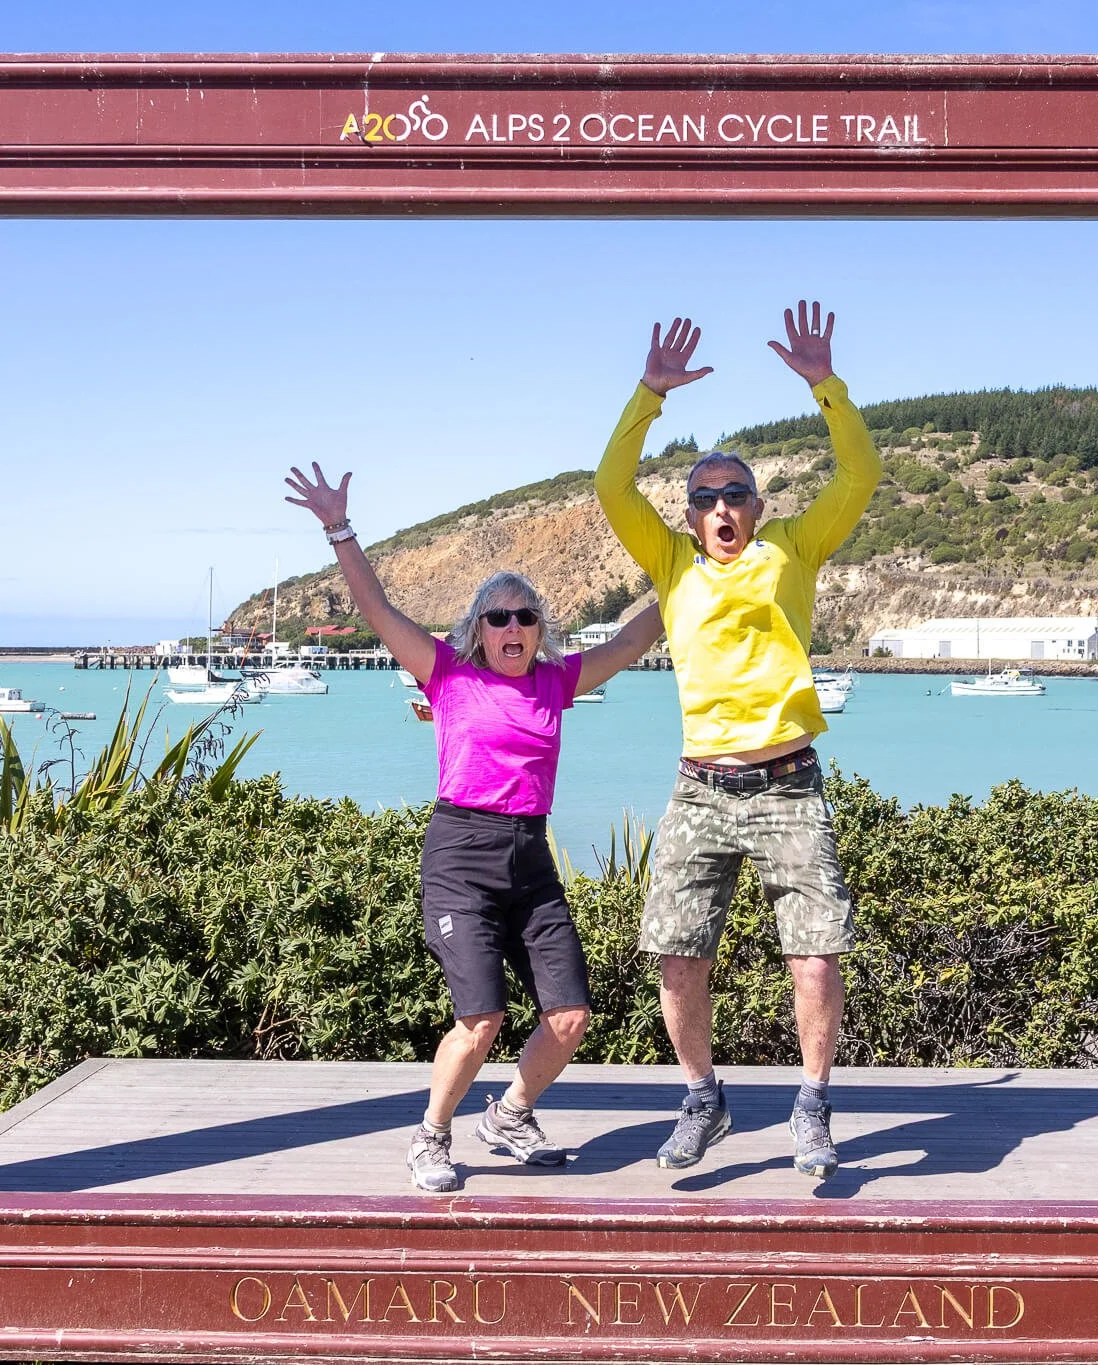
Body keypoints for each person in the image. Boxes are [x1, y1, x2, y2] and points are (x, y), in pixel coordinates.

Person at [285, 462, 664, 1193]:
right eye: (499, 616)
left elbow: (630, 641)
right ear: (478, 629)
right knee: (481, 1016)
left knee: (570, 1014)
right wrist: (340, 528)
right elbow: (377, 607)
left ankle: (511, 1113)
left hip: (530, 856)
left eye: (526, 617)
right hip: (461, 855)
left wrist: (682, 573)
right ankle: (431, 1134)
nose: (513, 627)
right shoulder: (447, 675)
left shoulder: (557, 681)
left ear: (539, 631)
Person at [594, 301, 880, 1178]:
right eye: (705, 497)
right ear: (688, 516)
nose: (721, 507)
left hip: (788, 781)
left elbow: (862, 474)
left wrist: (824, 385)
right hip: (701, 786)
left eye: (735, 494)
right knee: (677, 948)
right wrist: (649, 393)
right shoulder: (672, 563)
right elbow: (610, 485)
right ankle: (701, 1097)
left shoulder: (795, 548)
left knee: (815, 949)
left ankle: (815, 1101)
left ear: (758, 507)